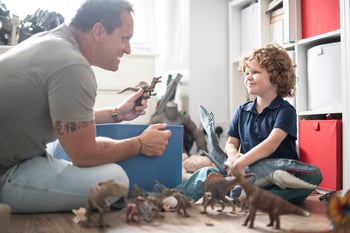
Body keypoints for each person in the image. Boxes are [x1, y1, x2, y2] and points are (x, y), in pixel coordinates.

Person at [0, 0, 171, 213]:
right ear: (98, 31)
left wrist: (116, 114)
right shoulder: (73, 66)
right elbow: (84, 155)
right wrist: (140, 144)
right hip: (7, 173)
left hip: (19, 153)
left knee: (71, 144)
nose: (127, 49)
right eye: (124, 38)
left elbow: (63, 117)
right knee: (115, 181)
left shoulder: (51, 41)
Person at [176, 44, 322, 204]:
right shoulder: (242, 110)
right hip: (244, 172)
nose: (248, 77)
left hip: (277, 175)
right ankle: (177, 197)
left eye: (255, 72)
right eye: (246, 73)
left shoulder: (285, 110)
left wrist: (242, 161)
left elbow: (271, 143)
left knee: (314, 176)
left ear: (277, 77)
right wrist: (233, 157)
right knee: (206, 172)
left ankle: (254, 198)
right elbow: (231, 142)